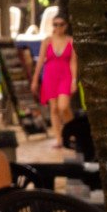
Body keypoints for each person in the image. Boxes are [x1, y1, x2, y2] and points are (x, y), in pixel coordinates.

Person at [35, 11, 79, 146]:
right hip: (50, 76)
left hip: (65, 75)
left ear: (66, 25)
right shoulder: (47, 41)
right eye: (55, 24)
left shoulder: (71, 41)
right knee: (53, 108)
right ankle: (59, 138)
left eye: (61, 24)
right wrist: (35, 79)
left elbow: (73, 62)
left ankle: (74, 132)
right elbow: (41, 60)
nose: (58, 27)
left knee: (63, 106)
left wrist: (74, 81)